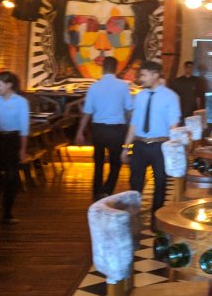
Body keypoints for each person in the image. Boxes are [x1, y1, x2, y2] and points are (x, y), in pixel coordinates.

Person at [122, 60, 181, 222]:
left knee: (160, 183)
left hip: (160, 145)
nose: (141, 78)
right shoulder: (140, 96)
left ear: (155, 75)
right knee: (135, 183)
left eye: (144, 75)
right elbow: (134, 124)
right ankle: (134, 220)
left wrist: (173, 149)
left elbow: (173, 126)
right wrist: (126, 147)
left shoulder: (171, 97)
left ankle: (157, 220)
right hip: (139, 144)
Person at [75, 55, 133, 200]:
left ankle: (96, 193)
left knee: (98, 163)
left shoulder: (94, 87)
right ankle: (107, 190)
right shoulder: (123, 86)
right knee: (115, 163)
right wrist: (131, 128)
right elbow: (129, 109)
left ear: (102, 68)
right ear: (116, 69)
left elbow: (87, 112)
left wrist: (80, 131)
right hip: (116, 130)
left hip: (98, 130)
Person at [0, 71, 30, 224]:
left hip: (13, 140)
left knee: (11, 176)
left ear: (9, 85)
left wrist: (23, 149)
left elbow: (24, 128)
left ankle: (7, 212)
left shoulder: (21, 102)